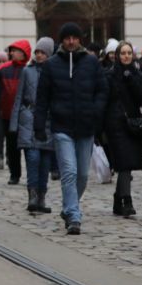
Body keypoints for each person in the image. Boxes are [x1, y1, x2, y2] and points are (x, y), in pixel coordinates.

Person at [34, 22, 108, 236]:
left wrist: (96, 112)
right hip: (62, 126)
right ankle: (74, 216)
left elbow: (102, 90)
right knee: (69, 171)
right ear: (62, 40)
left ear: (79, 39)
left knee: (83, 175)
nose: (71, 41)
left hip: (86, 126)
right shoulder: (51, 65)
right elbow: (42, 98)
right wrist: (40, 125)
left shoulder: (92, 63)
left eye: (74, 37)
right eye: (67, 38)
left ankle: (68, 207)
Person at [10, 37, 54, 214]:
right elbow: (19, 97)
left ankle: (42, 197)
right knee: (32, 160)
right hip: (28, 119)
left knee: (45, 164)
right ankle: (32, 196)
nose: (39, 55)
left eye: (43, 52)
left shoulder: (53, 72)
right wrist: (14, 124)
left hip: (48, 122)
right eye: (37, 52)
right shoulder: (27, 72)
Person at [104, 41, 142, 218]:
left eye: (129, 53)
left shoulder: (137, 74)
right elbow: (105, 100)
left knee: (125, 165)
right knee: (124, 163)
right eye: (123, 53)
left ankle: (117, 198)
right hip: (115, 124)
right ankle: (127, 201)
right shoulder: (109, 75)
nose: (126, 56)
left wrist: (131, 81)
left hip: (132, 125)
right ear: (117, 55)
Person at [0, 40, 32, 185]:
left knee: (29, 148)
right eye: (11, 50)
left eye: (15, 51)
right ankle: (15, 174)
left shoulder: (29, 70)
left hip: (25, 115)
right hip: (7, 113)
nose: (12, 53)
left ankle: (32, 175)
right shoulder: (5, 68)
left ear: (24, 53)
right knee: (12, 147)